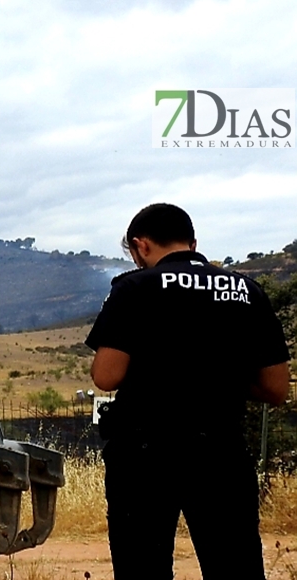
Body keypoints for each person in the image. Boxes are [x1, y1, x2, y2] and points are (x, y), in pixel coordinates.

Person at [86, 203, 292, 580]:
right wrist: (219, 376)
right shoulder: (247, 291)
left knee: (142, 569)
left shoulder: (133, 287)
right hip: (222, 450)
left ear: (140, 246)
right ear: (193, 243)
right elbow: (277, 388)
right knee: (236, 568)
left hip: (144, 454)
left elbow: (106, 376)